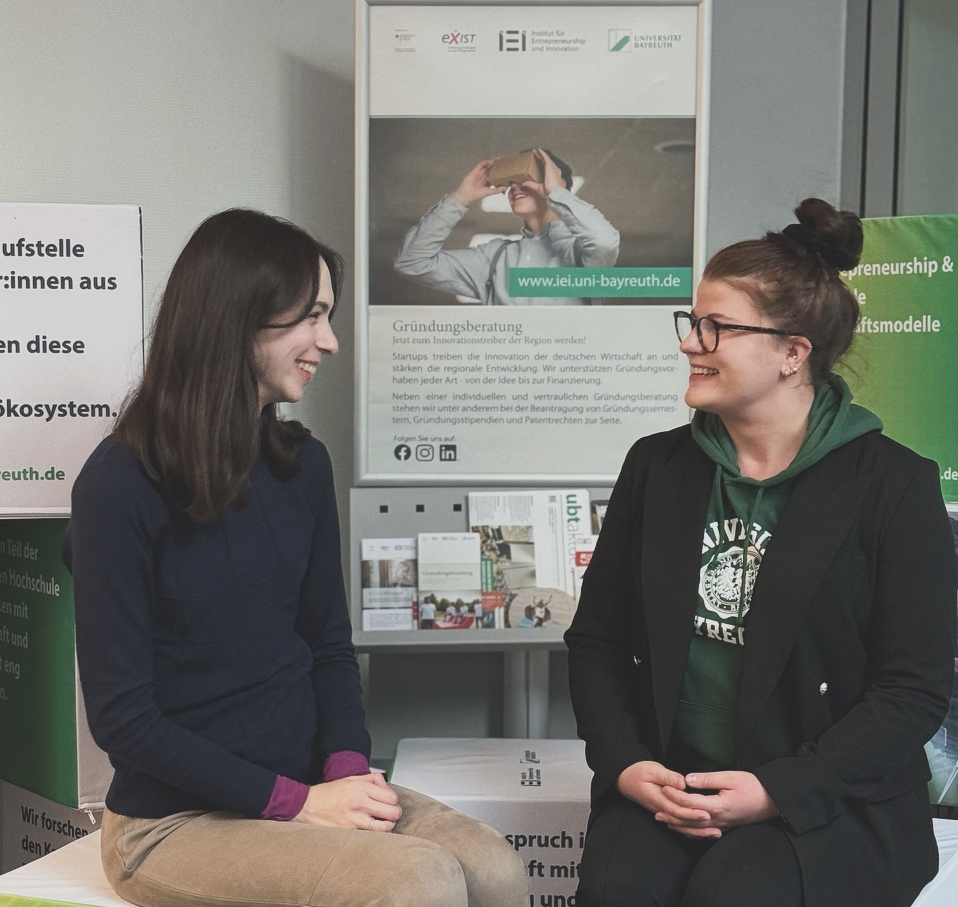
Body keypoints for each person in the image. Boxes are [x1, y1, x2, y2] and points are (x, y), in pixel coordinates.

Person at [63, 209, 527, 907]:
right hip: (171, 822)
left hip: (310, 782)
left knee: (494, 867)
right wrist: (297, 802)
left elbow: (328, 648)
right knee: (414, 880)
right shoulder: (118, 483)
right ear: (239, 316)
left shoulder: (301, 466)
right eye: (311, 316)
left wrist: (346, 775)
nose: (329, 342)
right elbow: (124, 719)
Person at [564, 198, 957, 907]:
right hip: (671, 784)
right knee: (619, 890)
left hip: (831, 799)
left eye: (717, 326)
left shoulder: (895, 485)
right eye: (693, 322)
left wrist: (778, 789)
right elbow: (596, 641)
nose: (691, 342)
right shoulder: (656, 467)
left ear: (792, 353)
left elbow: (912, 691)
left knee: (737, 892)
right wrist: (625, 763)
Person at [394, 148, 619, 305]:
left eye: (530, 178)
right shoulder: (495, 257)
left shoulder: (581, 254)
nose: (517, 187)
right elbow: (412, 262)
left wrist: (556, 194)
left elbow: (605, 242)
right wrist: (461, 197)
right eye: (512, 183)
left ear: (556, 186)